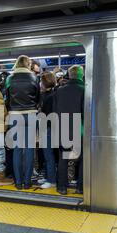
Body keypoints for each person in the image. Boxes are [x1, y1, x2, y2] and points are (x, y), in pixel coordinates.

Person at [5, 55, 40, 189]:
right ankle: (27, 182)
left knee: (17, 150)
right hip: (31, 115)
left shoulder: (9, 78)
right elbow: (38, 98)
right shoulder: (34, 77)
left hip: (15, 115)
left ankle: (18, 182)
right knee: (30, 149)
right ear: (28, 64)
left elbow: (6, 99)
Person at [53, 65, 84, 195]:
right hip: (80, 127)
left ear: (69, 75)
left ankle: (62, 187)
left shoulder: (59, 90)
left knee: (63, 158)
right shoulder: (84, 90)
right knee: (82, 158)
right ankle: (80, 187)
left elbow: (54, 111)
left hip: (63, 126)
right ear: (81, 75)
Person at [37, 71, 57, 189]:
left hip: (48, 128)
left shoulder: (49, 97)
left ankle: (51, 180)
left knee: (48, 155)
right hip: (49, 127)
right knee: (46, 154)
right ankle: (48, 176)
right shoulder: (52, 94)